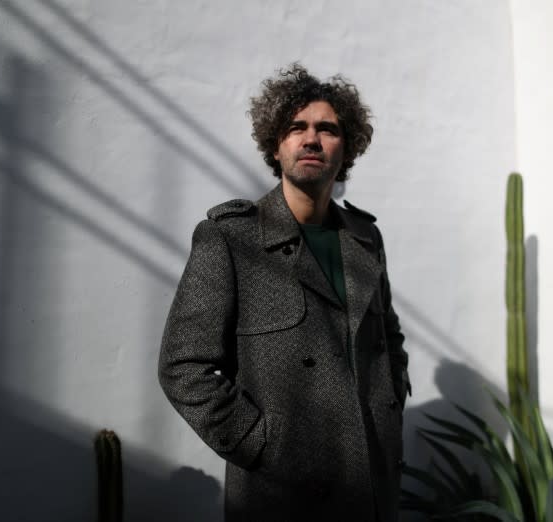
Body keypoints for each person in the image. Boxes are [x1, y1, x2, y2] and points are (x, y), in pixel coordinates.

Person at [158, 63, 410, 522]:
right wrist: (260, 446)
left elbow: (388, 340)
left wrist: (389, 409)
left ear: (345, 147)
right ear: (276, 145)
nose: (311, 139)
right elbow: (183, 366)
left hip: (371, 488)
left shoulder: (365, 238)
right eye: (297, 127)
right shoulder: (231, 238)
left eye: (327, 129)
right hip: (282, 496)